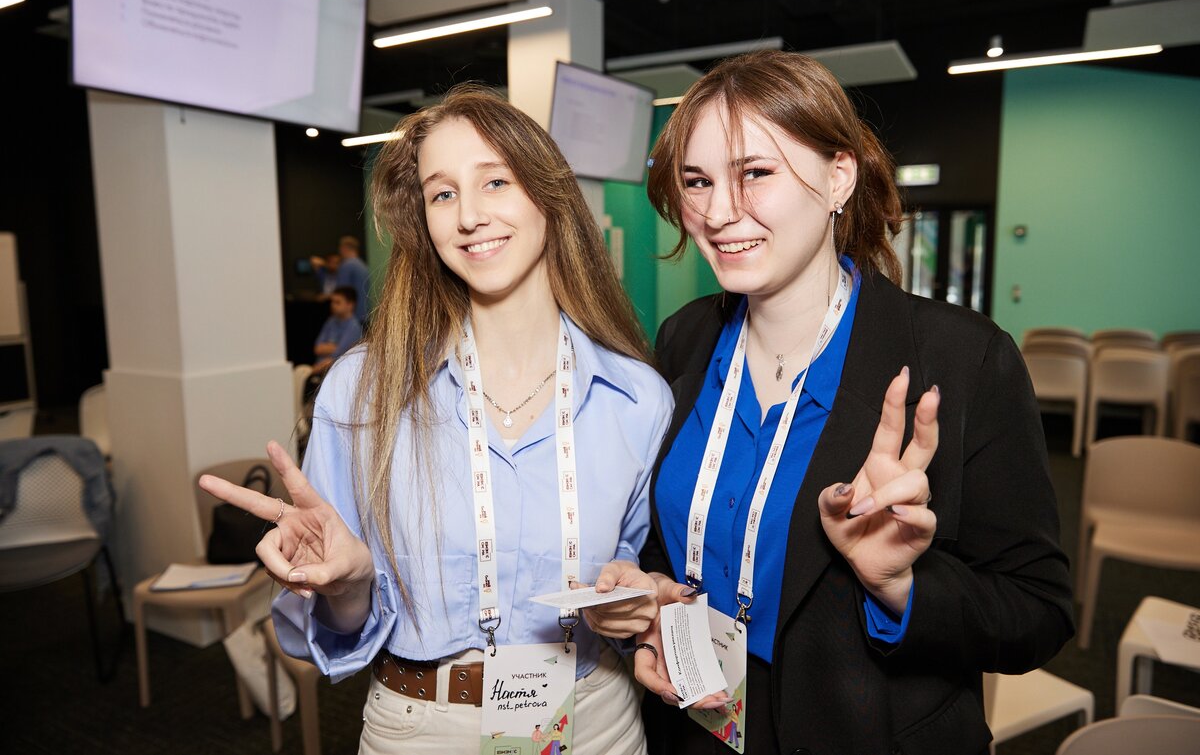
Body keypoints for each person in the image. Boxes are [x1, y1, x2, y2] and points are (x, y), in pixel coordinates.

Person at [591, 51, 1073, 755]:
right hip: (694, 725)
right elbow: (674, 533)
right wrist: (654, 598)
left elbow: (1038, 610)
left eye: (755, 172)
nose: (719, 213)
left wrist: (902, 585)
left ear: (838, 177)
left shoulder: (962, 359)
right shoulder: (685, 338)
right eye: (698, 181)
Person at [200, 85, 672, 755]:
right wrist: (347, 586)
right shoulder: (364, 392)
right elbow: (331, 626)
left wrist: (632, 598)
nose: (470, 215)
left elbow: (630, 566)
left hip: (596, 722)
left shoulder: (637, 397)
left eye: (495, 181)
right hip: (421, 728)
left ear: (548, 194)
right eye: (443, 193)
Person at [311, 286, 362, 377]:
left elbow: (338, 354)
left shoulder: (354, 327)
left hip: (338, 372)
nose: (333, 305)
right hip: (320, 369)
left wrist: (328, 348)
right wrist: (333, 347)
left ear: (350, 305)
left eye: (337, 302)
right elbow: (317, 348)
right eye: (332, 302)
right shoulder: (330, 322)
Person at [334, 235, 370, 323]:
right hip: (365, 315)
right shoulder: (363, 266)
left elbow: (341, 293)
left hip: (351, 317)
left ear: (344, 248)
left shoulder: (346, 266)